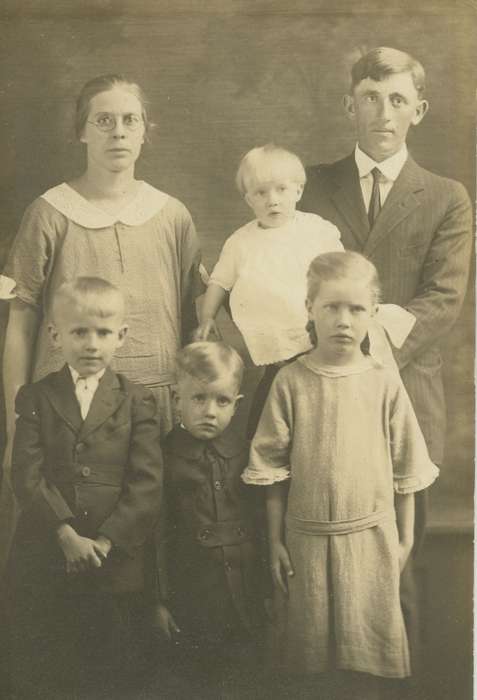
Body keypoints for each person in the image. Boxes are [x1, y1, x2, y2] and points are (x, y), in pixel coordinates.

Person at [299, 48, 473, 679]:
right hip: (321, 395)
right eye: (371, 96)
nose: (383, 111)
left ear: (418, 111)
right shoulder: (309, 186)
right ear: (350, 104)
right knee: (322, 558)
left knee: (398, 558)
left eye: (398, 99)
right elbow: (287, 281)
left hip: (408, 398)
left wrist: (365, 345)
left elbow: (444, 300)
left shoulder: (448, 199)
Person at [1, 73, 203, 572]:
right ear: (82, 131)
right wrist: (12, 422)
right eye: (104, 120)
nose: (118, 132)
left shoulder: (172, 215)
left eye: (129, 120)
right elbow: (19, 323)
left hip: (151, 410)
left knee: (144, 568)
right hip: (65, 417)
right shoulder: (49, 213)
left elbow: (195, 322)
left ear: (144, 131)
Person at [242, 251, 439, 700]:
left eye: (356, 309)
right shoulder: (291, 381)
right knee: (310, 666)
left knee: (366, 667)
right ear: (309, 309)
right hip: (305, 543)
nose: (343, 321)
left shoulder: (383, 382)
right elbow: (270, 470)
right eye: (331, 307)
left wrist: (404, 541)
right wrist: (275, 542)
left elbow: (407, 468)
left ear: (373, 313)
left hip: (372, 540)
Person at [7, 277, 163, 699]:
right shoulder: (37, 397)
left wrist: (107, 542)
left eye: (103, 333)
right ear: (56, 336)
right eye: (79, 332)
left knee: (113, 664)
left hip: (115, 559)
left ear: (121, 336)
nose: (91, 344)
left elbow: (146, 484)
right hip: (47, 550)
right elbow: (25, 472)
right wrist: (64, 535)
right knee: (49, 662)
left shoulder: (138, 400)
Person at [194, 144, 343, 432]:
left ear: (298, 191)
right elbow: (219, 281)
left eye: (281, 190)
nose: (272, 200)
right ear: (248, 199)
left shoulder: (317, 231)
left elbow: (341, 273)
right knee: (271, 410)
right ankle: (265, 453)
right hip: (275, 349)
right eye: (261, 192)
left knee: (319, 407)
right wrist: (207, 318)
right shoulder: (241, 242)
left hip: (318, 338)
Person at [154, 341, 267, 698]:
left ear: (237, 404)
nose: (209, 412)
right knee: (194, 680)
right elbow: (154, 538)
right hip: (191, 596)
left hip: (245, 593)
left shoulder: (246, 453)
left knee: (244, 677)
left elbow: (261, 525)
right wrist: (157, 601)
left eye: (221, 401)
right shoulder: (164, 458)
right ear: (176, 399)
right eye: (198, 399)